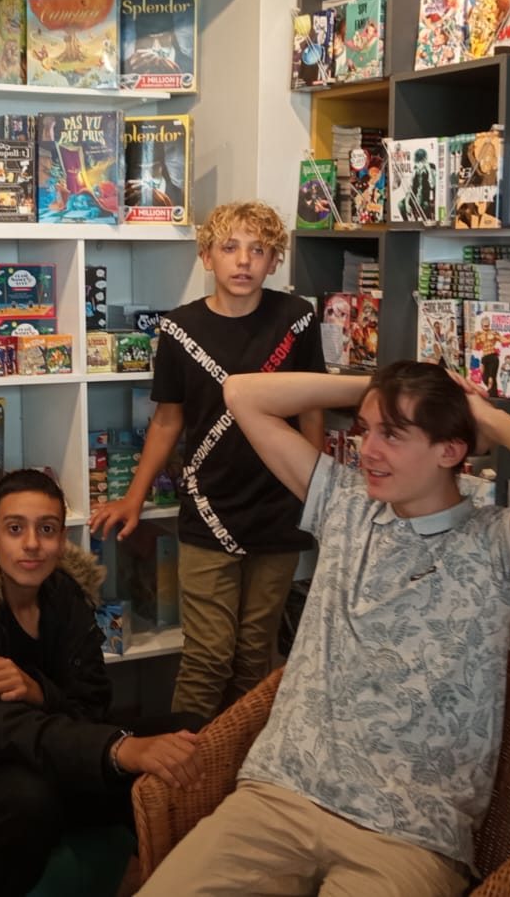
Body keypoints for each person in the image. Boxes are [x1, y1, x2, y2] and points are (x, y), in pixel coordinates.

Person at [144, 361, 510, 896]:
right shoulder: (344, 503)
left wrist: (482, 415)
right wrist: (382, 387)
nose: (367, 450)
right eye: (365, 429)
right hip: (281, 795)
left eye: (391, 434)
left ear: (450, 450)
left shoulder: (498, 543)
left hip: (407, 834)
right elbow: (241, 392)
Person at [0, 469, 201, 897]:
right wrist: (116, 749)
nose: (32, 543)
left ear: (61, 539)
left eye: (47, 529)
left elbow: (93, 703)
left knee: (187, 730)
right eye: (15, 529)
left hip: (45, 750)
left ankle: (182, 881)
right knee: (28, 796)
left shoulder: (65, 595)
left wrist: (38, 690)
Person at [89, 201, 322, 719]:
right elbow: (167, 420)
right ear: (206, 256)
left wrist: (319, 493)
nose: (244, 260)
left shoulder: (296, 319)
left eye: (258, 250)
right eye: (230, 247)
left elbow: (311, 409)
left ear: (274, 261)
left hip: (279, 510)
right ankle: (185, 764)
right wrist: (133, 497)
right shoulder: (179, 330)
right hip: (209, 509)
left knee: (253, 656)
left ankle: (237, 762)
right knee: (207, 658)